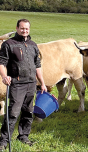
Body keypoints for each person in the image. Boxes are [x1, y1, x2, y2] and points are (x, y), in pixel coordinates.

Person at [0, 19, 47, 151]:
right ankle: (3, 140)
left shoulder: (33, 45)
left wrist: (42, 83)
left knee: (28, 112)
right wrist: (4, 76)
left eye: (26, 29)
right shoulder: (8, 44)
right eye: (22, 28)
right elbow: (2, 63)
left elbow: (37, 65)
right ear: (17, 28)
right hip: (17, 83)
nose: (24, 31)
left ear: (29, 29)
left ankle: (23, 136)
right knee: (13, 112)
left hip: (31, 83)